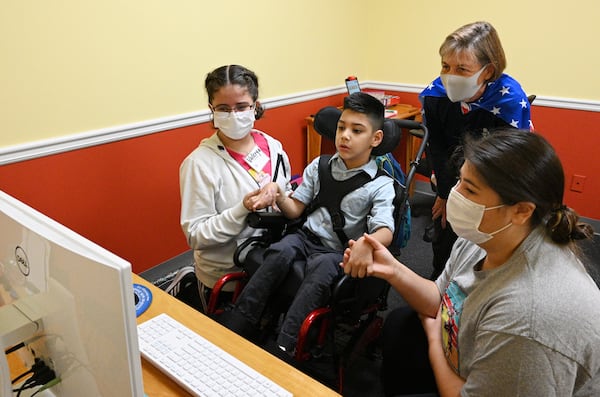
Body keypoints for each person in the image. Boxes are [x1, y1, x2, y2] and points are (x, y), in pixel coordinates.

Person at [342, 130, 600, 396]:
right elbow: (440, 299)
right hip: (473, 353)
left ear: (521, 210)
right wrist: (393, 269)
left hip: (502, 366)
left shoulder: (528, 318)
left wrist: (433, 338)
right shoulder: (487, 235)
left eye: (470, 189)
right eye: (459, 181)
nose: (456, 195)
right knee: (400, 325)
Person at [219, 92, 396, 354]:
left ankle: (287, 343)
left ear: (376, 138)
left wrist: (365, 244)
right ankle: (242, 318)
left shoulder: (380, 185)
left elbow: (385, 230)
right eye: (341, 128)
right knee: (281, 249)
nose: (345, 136)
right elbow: (295, 210)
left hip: (337, 251)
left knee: (323, 268)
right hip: (304, 238)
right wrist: (279, 192)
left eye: (356, 131)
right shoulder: (319, 166)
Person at [419, 21, 533, 279]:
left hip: (496, 179)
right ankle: (440, 282)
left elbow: (507, 163)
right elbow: (436, 146)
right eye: (445, 66)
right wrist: (447, 193)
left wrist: (468, 200)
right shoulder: (435, 95)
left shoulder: (510, 101)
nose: (450, 76)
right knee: (445, 228)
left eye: (462, 69)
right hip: (451, 172)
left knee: (485, 243)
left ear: (488, 71)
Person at [179, 64, 292, 312]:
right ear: (211, 109)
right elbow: (196, 235)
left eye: (241, 107)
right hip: (229, 277)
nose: (233, 115)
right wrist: (242, 210)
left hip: (272, 263)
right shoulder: (199, 164)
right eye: (223, 109)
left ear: (255, 106)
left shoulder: (273, 146)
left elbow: (286, 193)